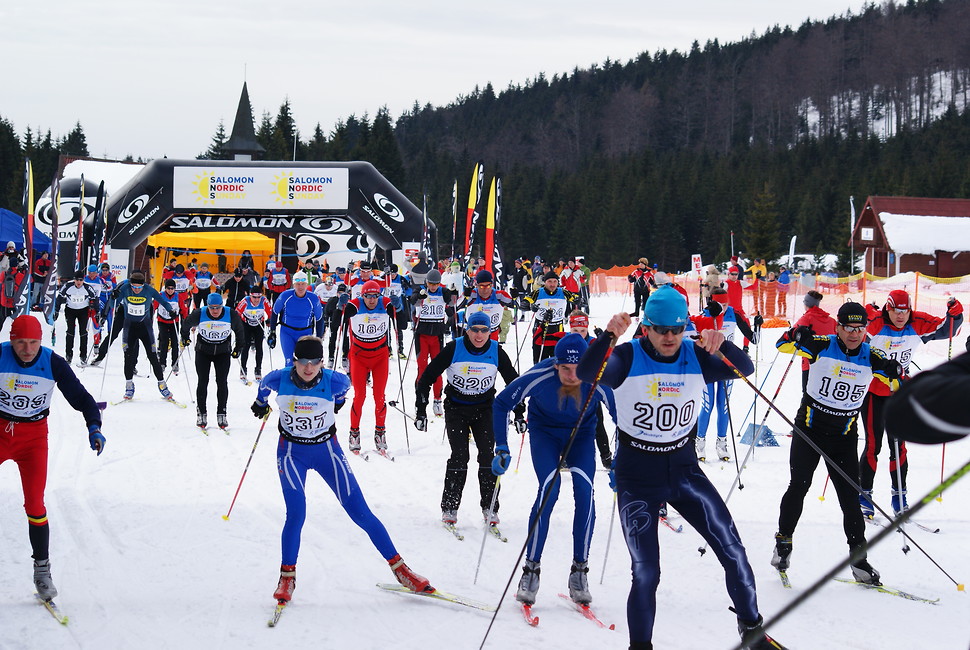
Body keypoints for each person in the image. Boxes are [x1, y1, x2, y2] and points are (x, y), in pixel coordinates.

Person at [576, 286, 784, 650]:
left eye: (676, 329)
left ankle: (752, 631)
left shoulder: (694, 354)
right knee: (646, 572)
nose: (670, 337)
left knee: (733, 552)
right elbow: (587, 371)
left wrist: (722, 344)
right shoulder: (627, 356)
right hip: (638, 476)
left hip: (684, 470)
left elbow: (745, 368)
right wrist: (609, 335)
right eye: (661, 329)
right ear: (646, 329)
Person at [250, 336, 432, 603]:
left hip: (327, 452)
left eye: (315, 362)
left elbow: (341, 394)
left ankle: (401, 570)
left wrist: (336, 403)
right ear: (294, 361)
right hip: (291, 454)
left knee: (361, 513)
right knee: (296, 514)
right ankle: (287, 577)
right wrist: (261, 403)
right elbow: (263, 388)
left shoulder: (336, 381)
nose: (309, 368)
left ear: (322, 362)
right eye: (303, 362)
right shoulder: (278, 378)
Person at [772, 302, 902, 587]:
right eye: (848, 328)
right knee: (799, 486)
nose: (854, 334)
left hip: (843, 438)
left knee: (850, 499)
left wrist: (895, 372)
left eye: (860, 328)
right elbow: (781, 346)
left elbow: (896, 384)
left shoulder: (871, 356)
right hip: (809, 432)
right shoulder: (822, 344)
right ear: (838, 327)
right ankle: (783, 543)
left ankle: (859, 560)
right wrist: (795, 334)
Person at [492, 333, 615, 607]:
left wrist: (621, 460)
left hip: (581, 434)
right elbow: (502, 403)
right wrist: (501, 446)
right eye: (565, 369)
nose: (572, 376)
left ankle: (580, 571)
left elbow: (623, 416)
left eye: (579, 369)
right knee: (550, 488)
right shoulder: (540, 376)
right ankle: (531, 570)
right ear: (555, 364)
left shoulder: (598, 377)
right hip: (545, 432)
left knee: (585, 491)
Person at [0, 315, 105, 602]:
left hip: (32, 439)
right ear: (11, 340)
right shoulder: (1, 356)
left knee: (35, 504)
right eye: (21, 343)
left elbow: (82, 398)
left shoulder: (52, 362)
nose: (27, 349)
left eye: (33, 342)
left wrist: (94, 426)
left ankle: (42, 571)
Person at [858, 290, 962, 516]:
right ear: (888, 308)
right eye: (896, 311)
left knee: (899, 447)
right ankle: (864, 494)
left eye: (905, 311)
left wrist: (955, 314)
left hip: (899, 392)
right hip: (874, 391)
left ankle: (899, 496)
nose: (900, 316)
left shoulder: (917, 322)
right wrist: (866, 315)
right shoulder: (877, 324)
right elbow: (856, 335)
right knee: (873, 446)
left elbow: (947, 329)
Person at [413, 311, 520, 526]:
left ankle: (490, 507)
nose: (479, 335)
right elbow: (427, 377)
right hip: (457, 409)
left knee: (487, 456)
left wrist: (520, 411)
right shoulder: (454, 348)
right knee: (460, 456)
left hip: (485, 409)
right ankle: (450, 506)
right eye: (475, 330)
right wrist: (421, 409)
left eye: (484, 330)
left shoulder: (496, 351)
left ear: (490, 332)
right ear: (467, 330)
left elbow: (514, 382)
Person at [692, 289, 757, 461]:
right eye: (720, 304)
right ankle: (700, 442)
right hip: (709, 365)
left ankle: (722, 443)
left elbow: (754, 339)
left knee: (723, 405)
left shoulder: (734, 314)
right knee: (708, 405)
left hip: (727, 366)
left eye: (726, 304)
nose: (724, 307)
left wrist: (757, 326)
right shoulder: (705, 315)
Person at [95, 271, 178, 402]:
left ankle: (162, 385)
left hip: (145, 327)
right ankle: (129, 386)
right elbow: (112, 304)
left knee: (152, 356)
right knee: (128, 357)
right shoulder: (125, 288)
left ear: (143, 285)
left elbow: (163, 301)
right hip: (130, 327)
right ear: (130, 284)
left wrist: (171, 311)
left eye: (139, 287)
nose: (136, 290)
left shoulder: (149, 290)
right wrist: (114, 297)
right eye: (134, 287)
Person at [341, 279, 395, 453]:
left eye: (375, 296)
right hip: (359, 356)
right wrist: (340, 307)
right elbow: (339, 320)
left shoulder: (384, 303)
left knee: (379, 396)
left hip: (380, 356)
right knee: (360, 396)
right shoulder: (355, 304)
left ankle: (380, 432)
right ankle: (354, 433)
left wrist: (399, 308)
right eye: (368, 296)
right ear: (362, 295)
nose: (372, 300)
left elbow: (401, 322)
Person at [181, 293, 244, 430]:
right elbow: (185, 325)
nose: (215, 311)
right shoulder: (199, 313)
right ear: (207, 306)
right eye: (212, 308)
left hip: (222, 352)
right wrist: (185, 338)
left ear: (222, 305)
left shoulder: (230, 314)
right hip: (203, 351)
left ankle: (222, 413)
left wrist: (238, 348)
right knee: (202, 381)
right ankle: (201, 413)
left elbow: (240, 331)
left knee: (222, 382)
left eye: (218, 307)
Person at [566, 310, 613, 468]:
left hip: (591, 389)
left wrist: (605, 343)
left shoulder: (593, 342)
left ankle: (606, 456)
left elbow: (612, 357)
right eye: (575, 330)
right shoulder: (565, 342)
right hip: (569, 389)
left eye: (583, 330)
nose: (579, 334)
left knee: (597, 423)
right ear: (570, 328)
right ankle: (566, 455)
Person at [409, 269, 454, 418]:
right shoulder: (421, 290)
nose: (433, 287)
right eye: (430, 284)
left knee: (437, 369)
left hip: (437, 336)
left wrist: (452, 294)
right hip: (422, 335)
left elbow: (452, 302)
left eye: (436, 284)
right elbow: (412, 300)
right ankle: (420, 399)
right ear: (426, 282)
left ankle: (437, 399)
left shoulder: (443, 291)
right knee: (422, 368)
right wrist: (419, 296)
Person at [269, 271, 325, 367]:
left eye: (303, 284)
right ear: (293, 285)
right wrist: (272, 332)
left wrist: (319, 338)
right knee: (289, 362)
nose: (300, 287)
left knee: (304, 362)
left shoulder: (313, 298)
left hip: (305, 334)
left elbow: (319, 318)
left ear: (307, 284)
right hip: (287, 333)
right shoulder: (285, 296)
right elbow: (274, 312)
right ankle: (289, 376)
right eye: (298, 284)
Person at [527, 271, 577, 363]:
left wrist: (579, 300)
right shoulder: (537, 292)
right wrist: (531, 306)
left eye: (555, 281)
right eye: (549, 281)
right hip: (540, 327)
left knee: (558, 359)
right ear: (545, 282)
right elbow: (524, 302)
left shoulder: (563, 292)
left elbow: (575, 298)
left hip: (557, 327)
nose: (552, 284)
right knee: (540, 359)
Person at [792, 290, 837, 389]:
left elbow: (792, 334)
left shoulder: (806, 318)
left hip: (810, 363)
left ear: (806, 304)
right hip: (830, 364)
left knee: (808, 393)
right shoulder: (832, 321)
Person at [54, 271, 99, 365]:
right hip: (70, 310)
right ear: (74, 279)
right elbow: (59, 298)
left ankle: (83, 356)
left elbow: (95, 299)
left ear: (83, 280)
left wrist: (97, 312)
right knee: (70, 332)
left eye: (81, 280)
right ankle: (68, 355)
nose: (79, 282)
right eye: (77, 280)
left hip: (83, 311)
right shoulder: (68, 286)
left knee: (83, 333)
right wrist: (56, 310)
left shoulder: (87, 287)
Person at [459, 269, 515, 341]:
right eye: (481, 286)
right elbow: (456, 306)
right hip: (473, 333)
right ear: (476, 285)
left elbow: (516, 306)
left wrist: (515, 297)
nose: (485, 290)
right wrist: (464, 296)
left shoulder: (499, 295)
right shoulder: (472, 294)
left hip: (492, 333)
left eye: (488, 286)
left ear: (492, 285)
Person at [236, 283, 272, 382]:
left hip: (258, 324)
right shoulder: (245, 301)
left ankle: (258, 369)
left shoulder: (264, 301)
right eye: (254, 297)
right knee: (245, 346)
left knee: (259, 346)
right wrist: (238, 326)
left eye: (258, 297)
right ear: (250, 296)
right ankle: (243, 369)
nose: (256, 300)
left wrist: (269, 320)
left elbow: (271, 313)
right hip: (246, 324)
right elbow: (236, 313)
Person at [154, 278, 190, 376]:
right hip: (162, 321)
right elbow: (154, 306)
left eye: (172, 288)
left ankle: (175, 363)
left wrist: (185, 319)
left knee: (175, 342)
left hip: (174, 321)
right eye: (168, 288)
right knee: (164, 342)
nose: (170, 290)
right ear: (165, 288)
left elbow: (183, 310)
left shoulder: (178, 296)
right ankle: (162, 363)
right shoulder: (160, 296)